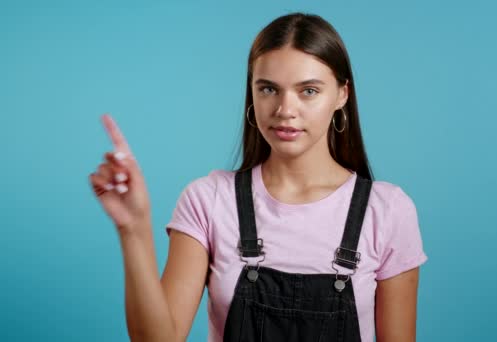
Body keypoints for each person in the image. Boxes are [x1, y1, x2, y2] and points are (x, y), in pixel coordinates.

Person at [89, 12, 427, 342]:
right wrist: (133, 227)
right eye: (268, 89)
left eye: (308, 90)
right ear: (251, 92)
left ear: (342, 94)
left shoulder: (387, 211)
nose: (285, 110)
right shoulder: (208, 200)